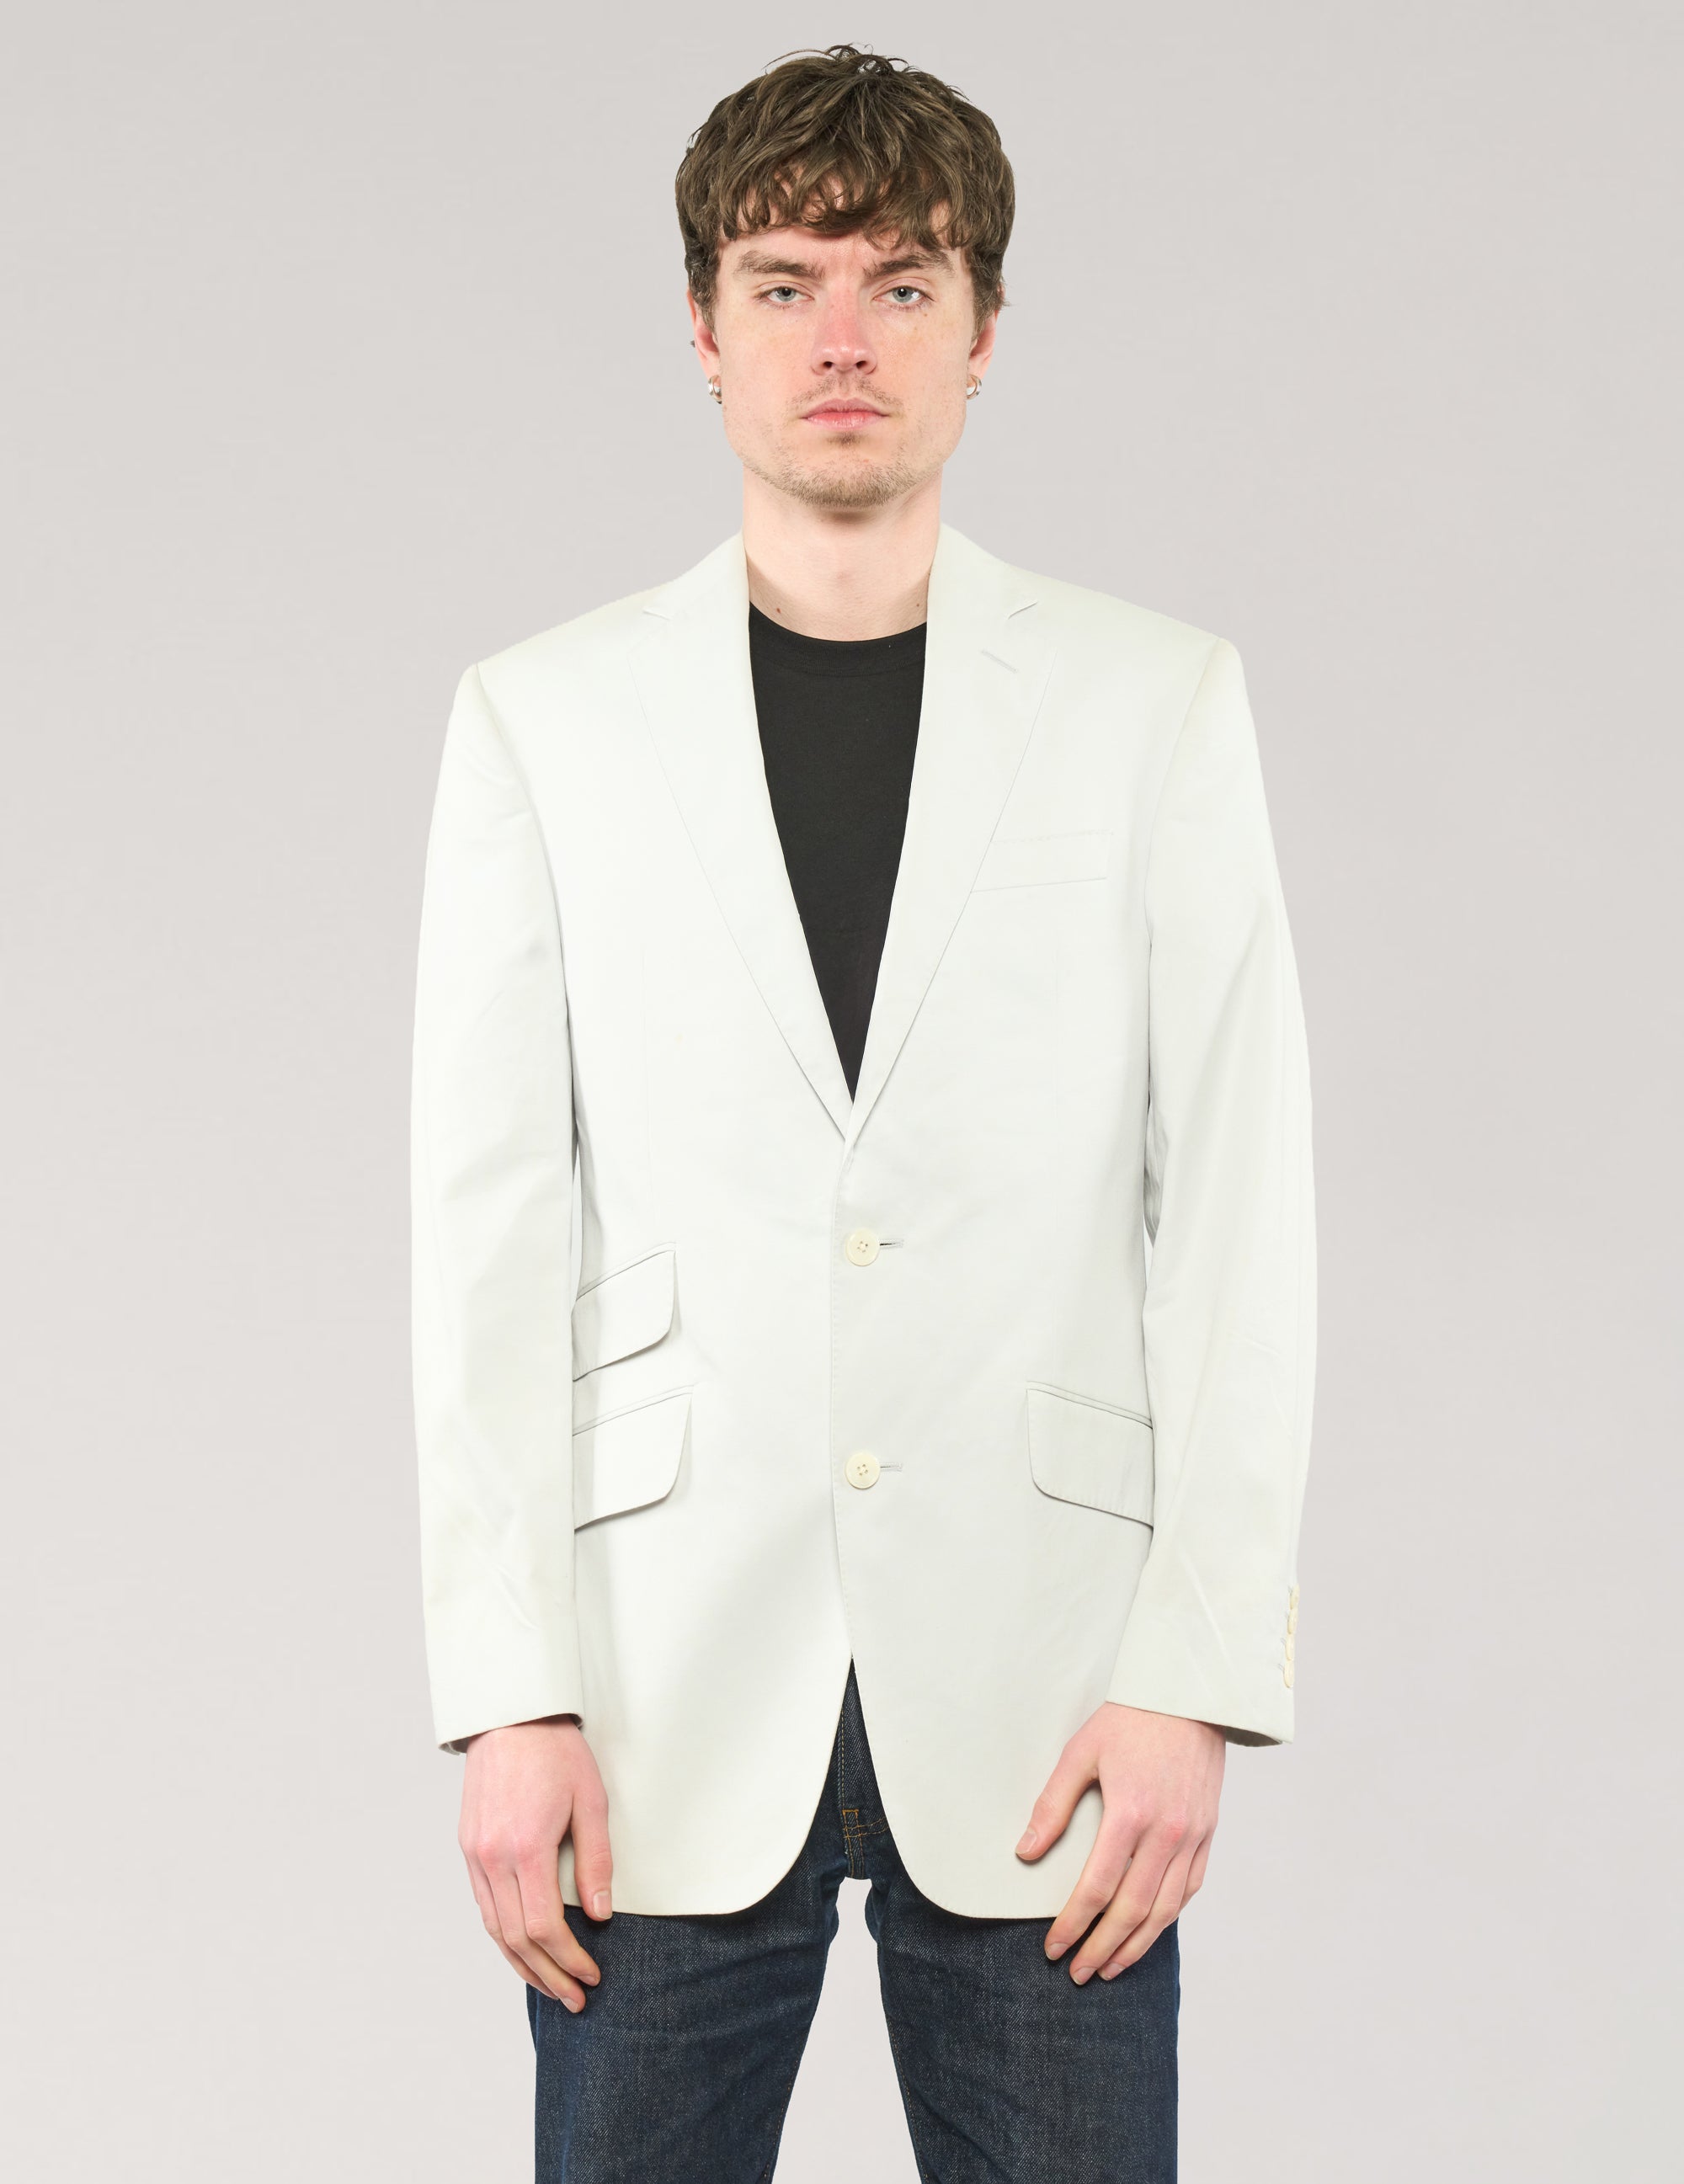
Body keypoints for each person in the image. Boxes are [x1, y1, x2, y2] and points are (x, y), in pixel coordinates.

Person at [410, 42, 1316, 2182]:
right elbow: (485, 1231)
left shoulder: (1152, 706)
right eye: (786, 281)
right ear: (702, 330)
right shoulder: (543, 722)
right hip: (651, 1690)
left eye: (902, 284)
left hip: (1053, 1691)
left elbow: (1241, 1202)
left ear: (983, 333)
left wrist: (1195, 1669)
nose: (843, 337)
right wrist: (507, 1688)